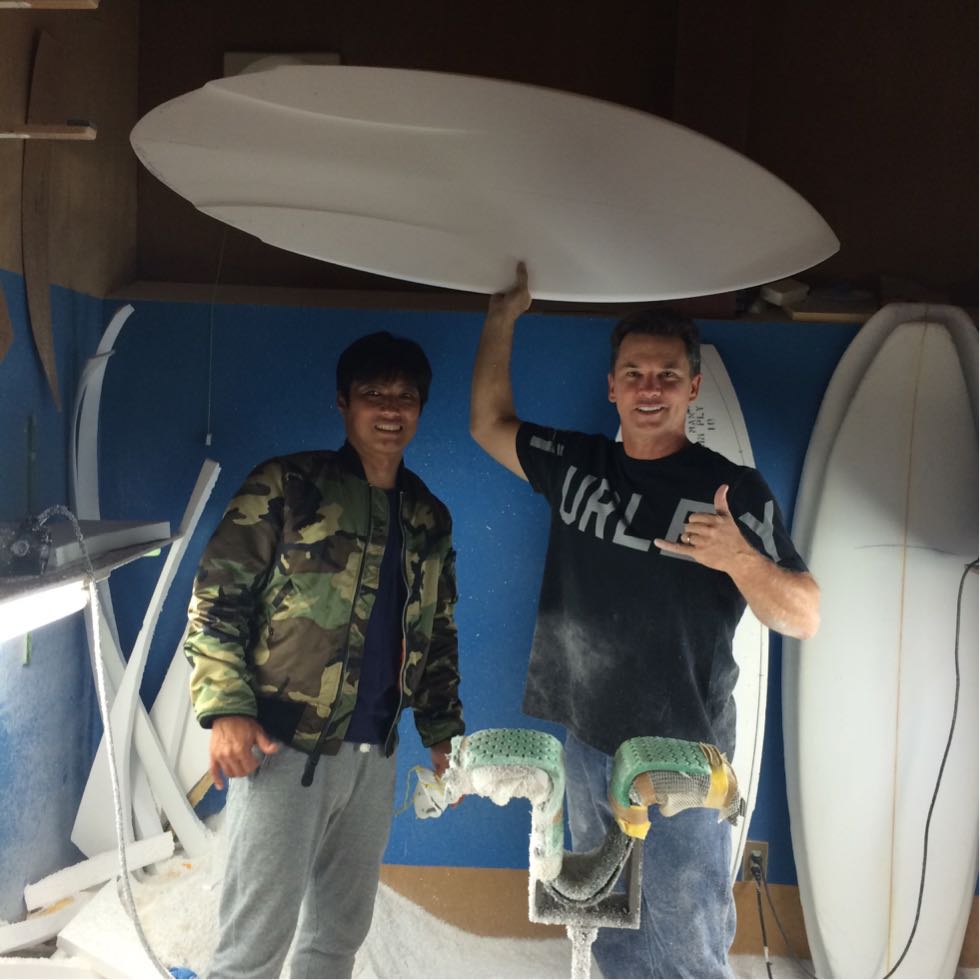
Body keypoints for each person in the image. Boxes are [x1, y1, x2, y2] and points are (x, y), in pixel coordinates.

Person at [469, 262, 819, 978]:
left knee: (686, 947)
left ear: (693, 387)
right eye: (634, 374)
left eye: (666, 375)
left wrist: (738, 558)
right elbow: (488, 424)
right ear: (613, 387)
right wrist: (502, 318)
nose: (649, 388)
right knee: (609, 930)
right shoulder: (576, 464)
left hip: (680, 755)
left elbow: (803, 613)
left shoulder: (732, 492)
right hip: (588, 741)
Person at [185, 331, 464, 979]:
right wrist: (226, 711)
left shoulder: (428, 516)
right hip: (284, 748)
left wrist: (443, 733)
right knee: (252, 948)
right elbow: (216, 601)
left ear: (420, 409)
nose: (390, 409)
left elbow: (437, 630)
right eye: (373, 394)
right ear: (344, 403)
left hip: (375, 757)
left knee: (338, 937)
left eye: (405, 397)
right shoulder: (288, 485)